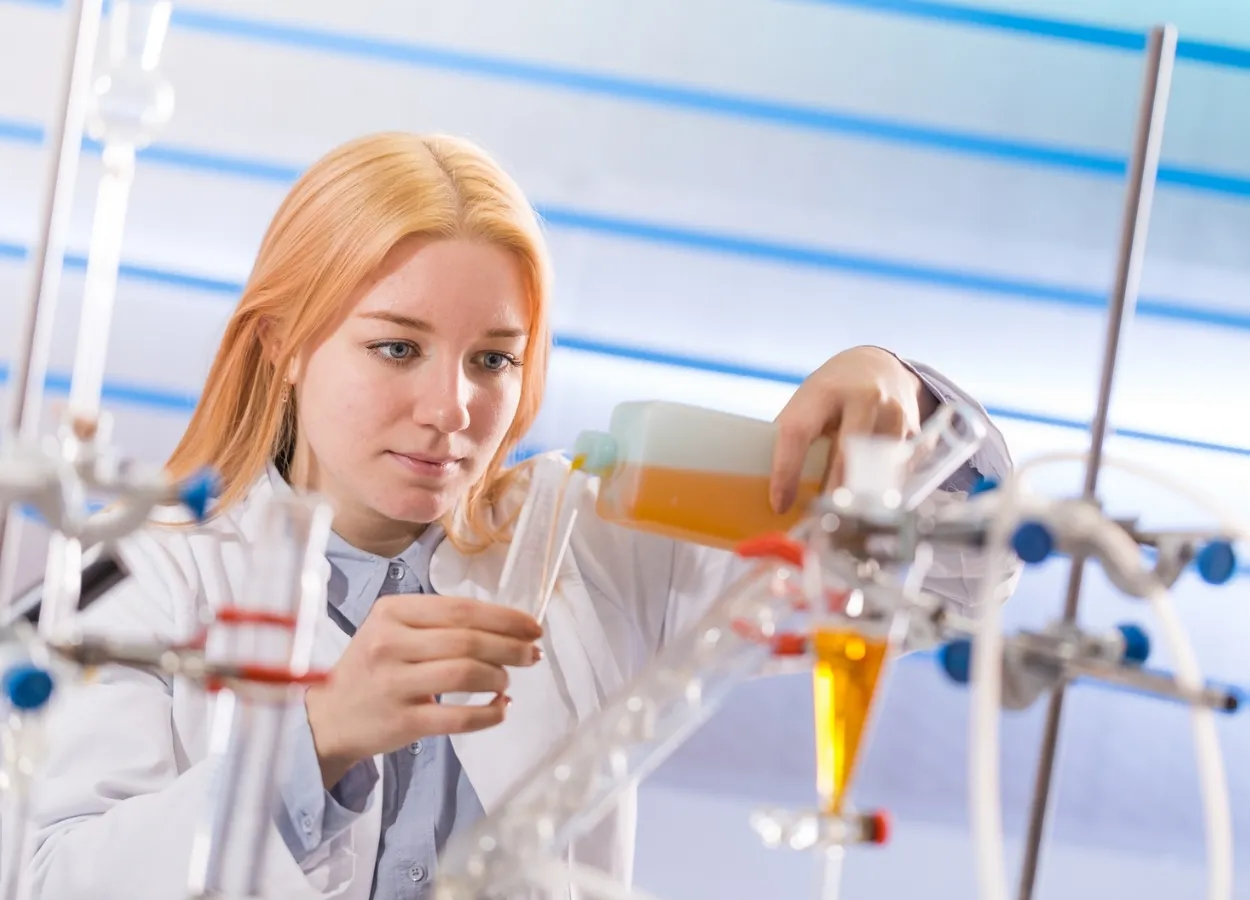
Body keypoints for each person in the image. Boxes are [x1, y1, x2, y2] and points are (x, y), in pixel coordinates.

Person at [23, 132, 1018, 900]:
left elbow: (958, 578)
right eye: (398, 348)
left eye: (492, 359)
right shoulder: (135, 580)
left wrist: (899, 396)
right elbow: (50, 880)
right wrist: (314, 740)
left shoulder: (601, 542)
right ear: (284, 343)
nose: (451, 408)